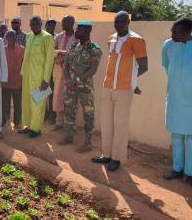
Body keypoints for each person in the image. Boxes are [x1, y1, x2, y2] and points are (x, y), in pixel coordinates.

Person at [92, 11, 148, 171]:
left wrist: (132, 82)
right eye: (116, 22)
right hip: (107, 86)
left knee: (120, 124)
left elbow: (144, 66)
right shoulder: (111, 38)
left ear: (128, 22)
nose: (118, 25)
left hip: (124, 90)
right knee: (106, 122)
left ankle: (116, 158)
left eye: (122, 22)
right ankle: (106, 154)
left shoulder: (136, 40)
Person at [58, 21, 102, 153]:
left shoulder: (95, 49)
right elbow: (65, 65)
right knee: (69, 111)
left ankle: (87, 142)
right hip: (70, 86)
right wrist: (67, 80)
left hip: (84, 88)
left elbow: (92, 70)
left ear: (87, 31)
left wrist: (76, 80)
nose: (76, 31)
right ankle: (68, 136)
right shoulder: (73, 46)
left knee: (88, 114)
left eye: (79, 29)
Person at [161, 17, 192, 184]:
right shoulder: (168, 45)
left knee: (191, 138)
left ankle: (189, 172)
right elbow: (166, 65)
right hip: (175, 97)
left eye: (175, 31)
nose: (171, 33)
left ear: (188, 32)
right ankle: (177, 168)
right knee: (176, 136)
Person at [18, 16, 54, 138]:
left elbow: (49, 60)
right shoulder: (29, 36)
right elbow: (26, 56)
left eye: (36, 24)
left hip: (39, 77)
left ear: (41, 24)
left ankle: (36, 129)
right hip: (27, 75)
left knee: (38, 102)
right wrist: (22, 73)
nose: (34, 26)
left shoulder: (47, 37)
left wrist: (46, 80)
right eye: (32, 24)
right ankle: (28, 125)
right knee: (27, 101)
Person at [52, 16, 76, 131]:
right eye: (63, 21)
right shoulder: (59, 36)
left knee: (70, 97)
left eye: (66, 22)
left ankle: (70, 124)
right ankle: (59, 122)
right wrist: (60, 54)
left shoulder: (77, 37)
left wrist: (62, 53)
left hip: (72, 72)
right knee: (58, 96)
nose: (63, 24)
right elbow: (52, 51)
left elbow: (76, 53)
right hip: (59, 70)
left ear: (72, 23)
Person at [2, 30, 24, 129]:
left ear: (16, 38)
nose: (10, 39)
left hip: (17, 82)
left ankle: (17, 122)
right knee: (5, 104)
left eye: (12, 37)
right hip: (5, 82)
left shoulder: (22, 49)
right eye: (8, 37)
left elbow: (24, 64)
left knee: (17, 104)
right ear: (6, 38)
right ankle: (5, 120)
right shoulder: (2, 49)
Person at [44, 19, 57, 124]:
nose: (52, 27)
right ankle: (43, 115)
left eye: (53, 25)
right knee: (42, 94)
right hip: (43, 71)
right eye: (50, 25)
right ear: (46, 26)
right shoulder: (42, 37)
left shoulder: (56, 38)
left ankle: (52, 117)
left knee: (52, 94)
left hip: (53, 71)